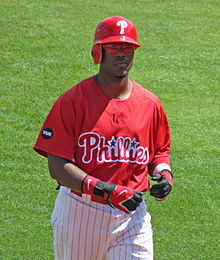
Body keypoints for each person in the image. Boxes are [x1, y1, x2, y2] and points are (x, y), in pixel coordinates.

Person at [34, 16, 173, 260]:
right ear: (98, 52)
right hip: (81, 212)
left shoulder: (150, 104)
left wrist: (164, 174)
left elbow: (159, 151)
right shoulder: (73, 101)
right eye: (114, 47)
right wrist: (105, 189)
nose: (122, 54)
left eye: (127, 48)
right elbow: (56, 165)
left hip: (133, 217)